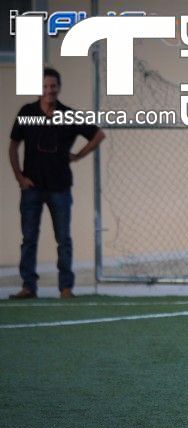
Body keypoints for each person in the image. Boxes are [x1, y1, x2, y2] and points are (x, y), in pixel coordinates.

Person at [8, 67, 105, 300]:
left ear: (59, 88)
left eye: (53, 86)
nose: (49, 90)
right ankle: (28, 287)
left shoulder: (68, 114)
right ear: (39, 89)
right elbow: (13, 146)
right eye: (45, 87)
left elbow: (98, 134)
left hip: (60, 187)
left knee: (63, 239)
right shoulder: (27, 112)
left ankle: (65, 288)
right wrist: (20, 177)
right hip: (32, 187)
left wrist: (77, 155)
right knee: (29, 239)